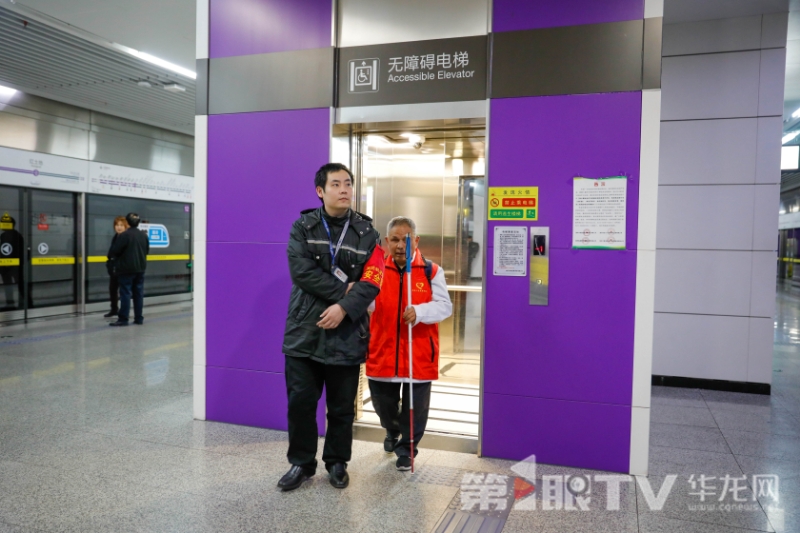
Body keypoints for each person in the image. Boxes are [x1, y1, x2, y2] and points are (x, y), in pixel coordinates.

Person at [278, 163, 385, 492]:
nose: (344, 189)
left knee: (341, 408)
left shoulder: (368, 234)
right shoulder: (303, 227)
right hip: (304, 331)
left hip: (347, 333)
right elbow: (301, 271)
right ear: (320, 191)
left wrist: (343, 309)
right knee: (301, 404)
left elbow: (373, 280)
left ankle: (337, 462)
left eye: (348, 184)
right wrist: (343, 294)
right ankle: (301, 463)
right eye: (336, 184)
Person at [366, 216, 452, 470]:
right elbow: (367, 303)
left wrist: (421, 312)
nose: (400, 245)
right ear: (387, 241)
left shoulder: (431, 270)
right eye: (394, 240)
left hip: (419, 352)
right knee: (384, 405)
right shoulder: (376, 270)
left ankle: (408, 448)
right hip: (382, 350)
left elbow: (445, 306)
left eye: (405, 240)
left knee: (415, 411)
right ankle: (392, 430)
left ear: (415, 240)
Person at [107, 212, 149, 326]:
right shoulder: (143, 235)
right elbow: (146, 251)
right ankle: (138, 318)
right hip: (140, 269)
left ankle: (123, 319)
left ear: (127, 222)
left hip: (126, 269)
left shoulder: (124, 235)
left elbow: (114, 251)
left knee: (125, 293)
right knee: (138, 294)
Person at [104, 216, 129, 318]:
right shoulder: (115, 237)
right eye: (117, 225)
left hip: (122, 268)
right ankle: (114, 309)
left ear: (125, 226)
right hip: (114, 269)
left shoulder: (126, 237)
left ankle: (123, 313)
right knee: (113, 289)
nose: (119, 227)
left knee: (123, 291)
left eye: (121, 225)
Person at [0, 214, 24, 310]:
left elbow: (19, 252)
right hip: (6, 265)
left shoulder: (17, 236)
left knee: (19, 285)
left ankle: (25, 303)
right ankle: (11, 303)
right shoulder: (3, 236)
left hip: (14, 266)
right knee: (9, 285)